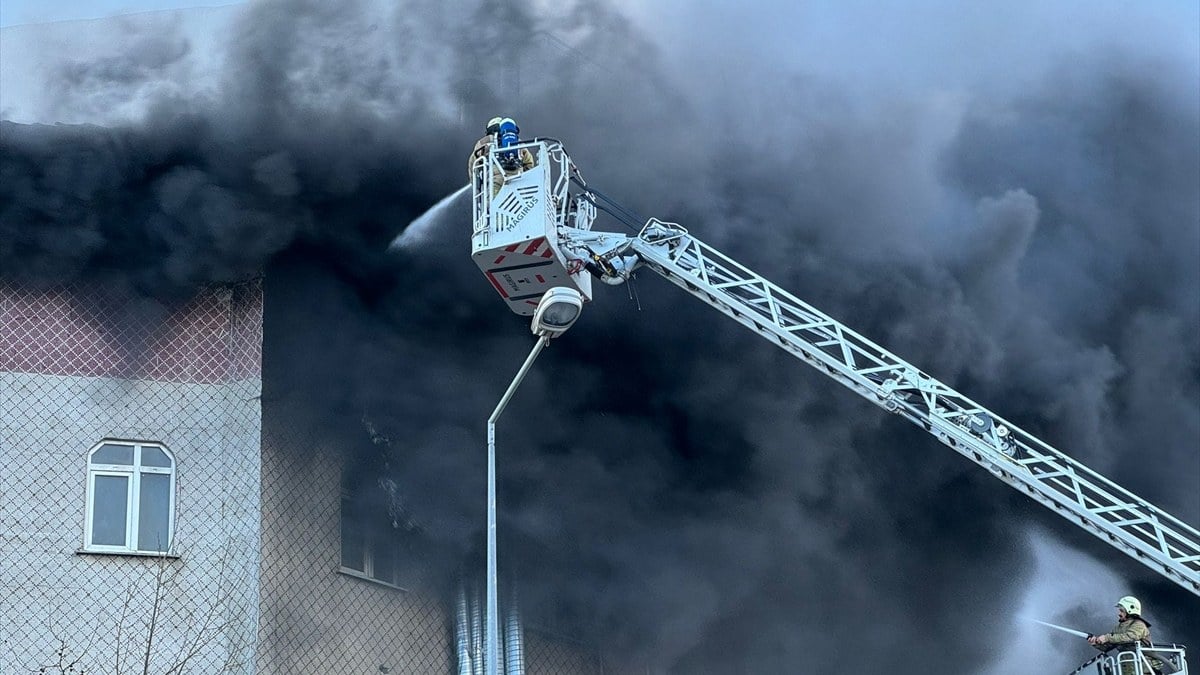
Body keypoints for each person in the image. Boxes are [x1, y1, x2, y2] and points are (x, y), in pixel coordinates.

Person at [1088, 596, 1162, 674]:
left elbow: (1130, 637)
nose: (1119, 614)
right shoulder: (1118, 628)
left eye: (1121, 611)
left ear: (1130, 610)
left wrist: (1107, 638)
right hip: (1129, 670)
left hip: (1146, 670)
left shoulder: (1139, 625)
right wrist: (1096, 643)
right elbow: (1109, 646)